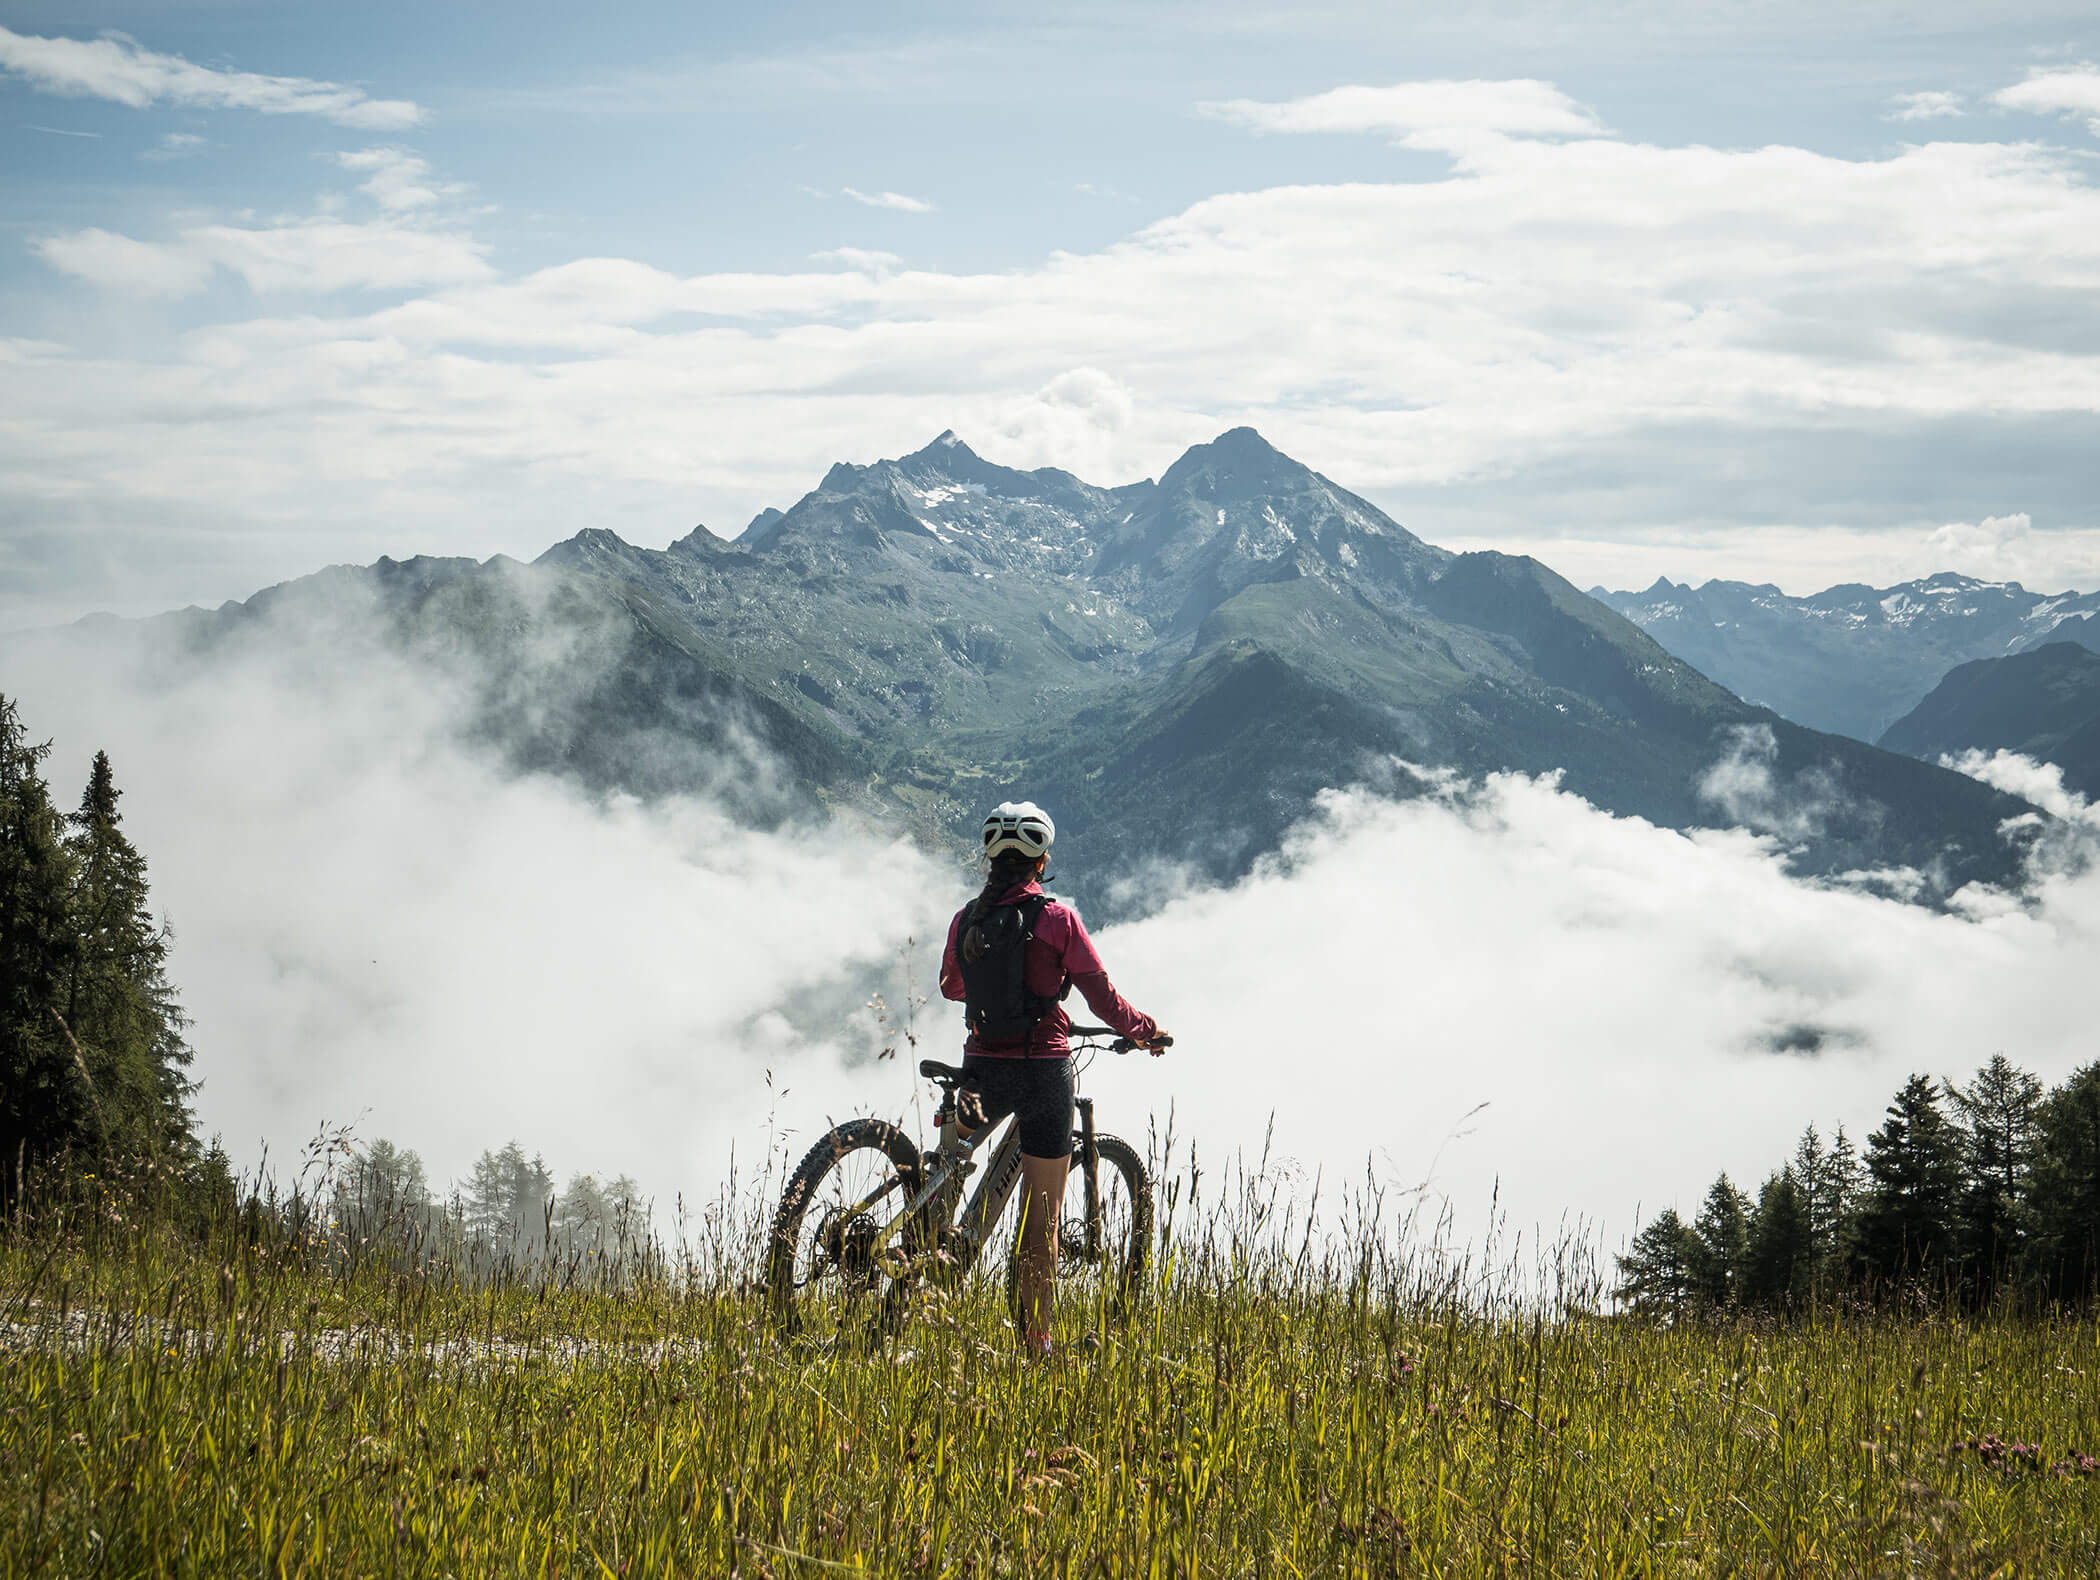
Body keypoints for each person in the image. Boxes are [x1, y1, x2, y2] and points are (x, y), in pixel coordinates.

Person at [938, 800, 1169, 1359]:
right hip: (1042, 1073)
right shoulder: (1057, 921)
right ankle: (1038, 1350)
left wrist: (993, 980)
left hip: (979, 1068)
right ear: (1041, 861)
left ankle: (927, 1253)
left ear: (990, 859)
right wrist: (1145, 1031)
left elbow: (951, 987)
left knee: (946, 1167)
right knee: (1039, 1229)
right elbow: (1103, 999)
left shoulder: (966, 918)